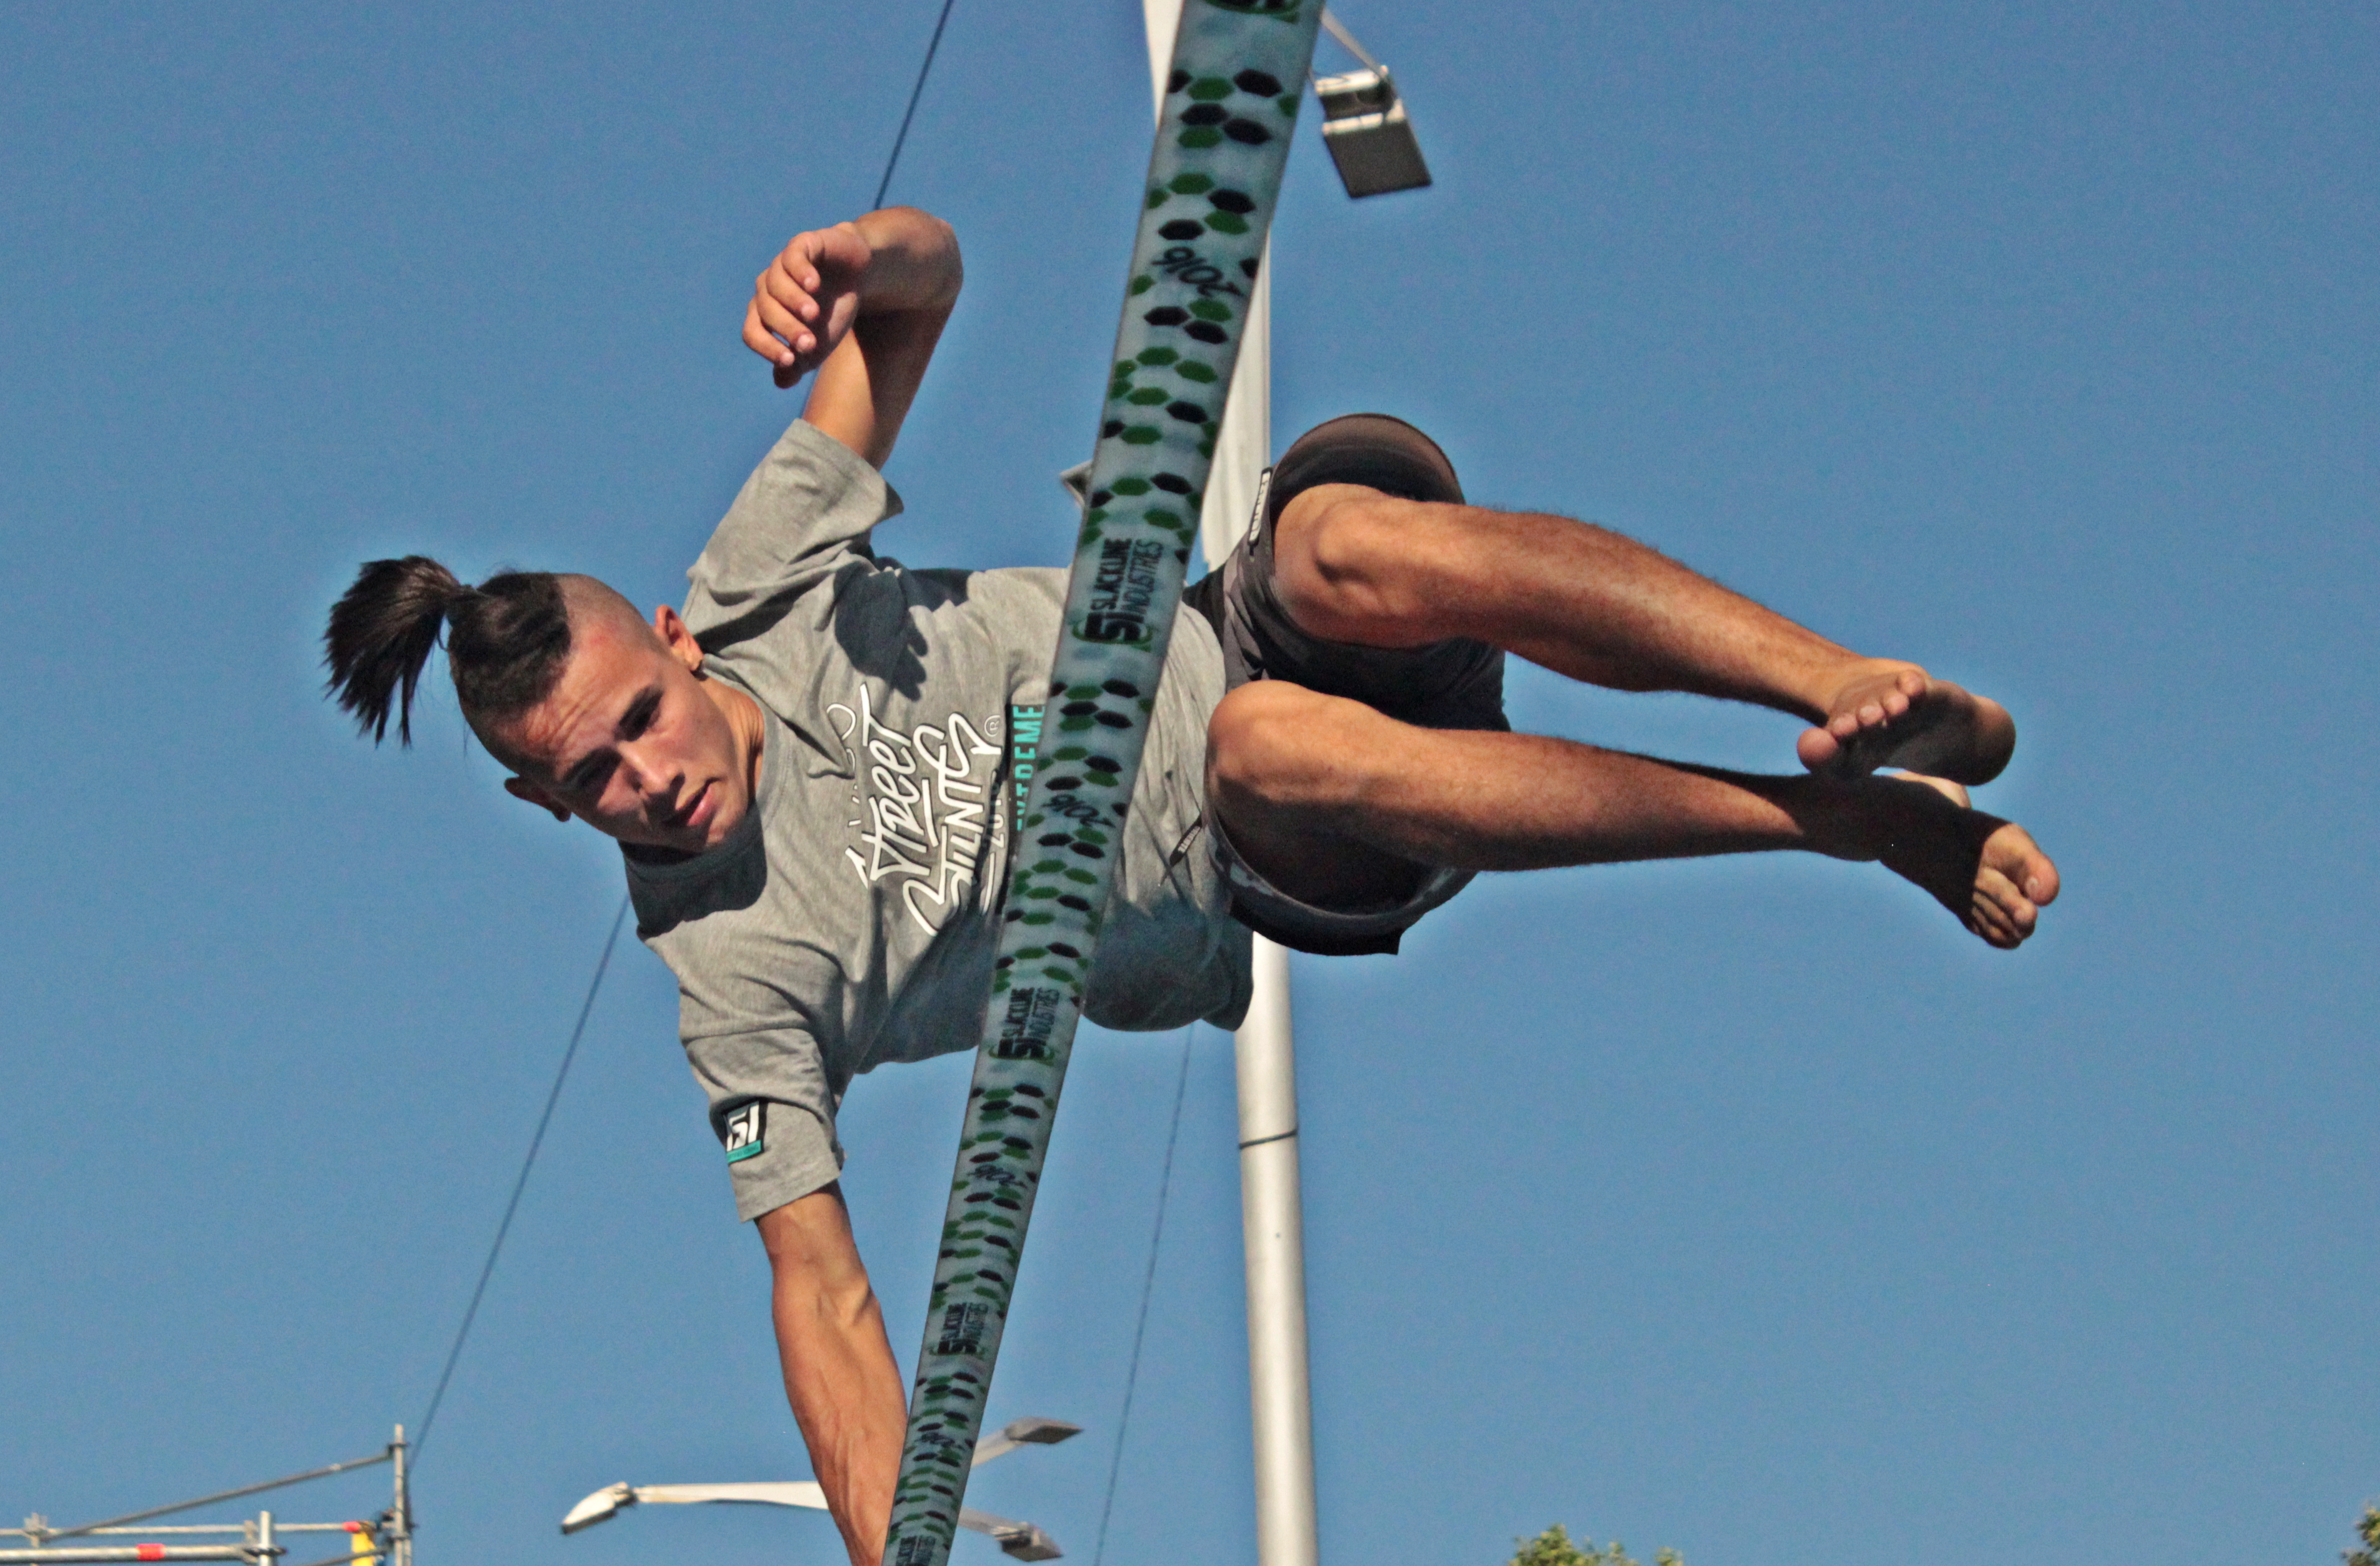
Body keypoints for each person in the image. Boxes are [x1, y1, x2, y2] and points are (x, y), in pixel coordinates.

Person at [321, 205, 2058, 1565]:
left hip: (1219, 625)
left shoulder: (760, 574)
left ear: (680, 643)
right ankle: (1843, 823)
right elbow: (823, 1297)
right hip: (1271, 846)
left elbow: (931, 288)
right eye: (593, 784)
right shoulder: (731, 985)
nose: (649, 780)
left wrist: (857, 256)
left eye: (640, 719)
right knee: (1261, 752)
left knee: (1336, 540)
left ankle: (1848, 692)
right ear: (545, 810)